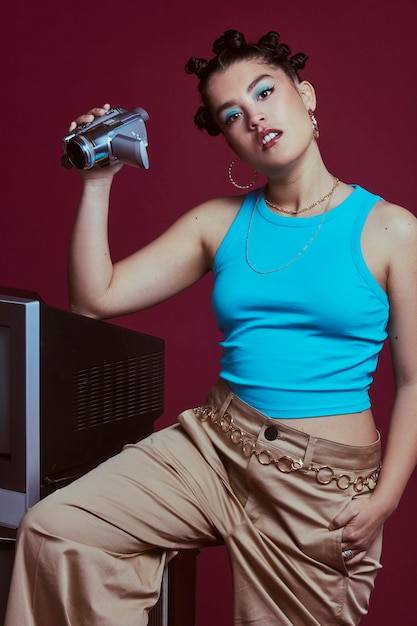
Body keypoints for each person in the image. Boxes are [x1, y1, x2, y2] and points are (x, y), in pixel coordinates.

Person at [5, 29, 417, 626]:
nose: (255, 117)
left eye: (265, 93)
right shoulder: (215, 223)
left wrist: (387, 497)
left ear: (307, 95)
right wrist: (98, 183)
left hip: (318, 484)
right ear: (228, 140)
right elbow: (94, 300)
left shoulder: (392, 231)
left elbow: (414, 382)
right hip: (214, 447)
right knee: (58, 531)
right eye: (233, 114)